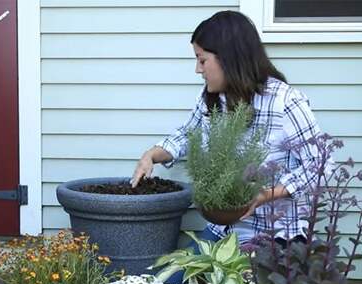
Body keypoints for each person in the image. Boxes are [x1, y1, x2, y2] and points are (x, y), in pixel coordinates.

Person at [131, 11, 323, 250]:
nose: (197, 70)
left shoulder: (285, 101)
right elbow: (185, 136)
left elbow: (320, 166)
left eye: (202, 60)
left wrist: (266, 194)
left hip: (276, 236)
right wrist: (151, 155)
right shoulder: (213, 99)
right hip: (222, 230)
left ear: (228, 58)